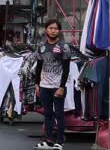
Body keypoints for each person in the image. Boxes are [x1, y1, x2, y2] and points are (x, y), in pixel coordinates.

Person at [34, 20, 71, 150]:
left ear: (59, 31)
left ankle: (59, 142)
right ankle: (49, 141)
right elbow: (38, 67)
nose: (53, 30)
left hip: (57, 86)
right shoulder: (41, 46)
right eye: (51, 28)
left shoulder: (63, 47)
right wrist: (37, 84)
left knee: (59, 114)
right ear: (46, 30)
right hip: (44, 86)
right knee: (48, 114)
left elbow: (66, 69)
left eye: (56, 28)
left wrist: (61, 86)